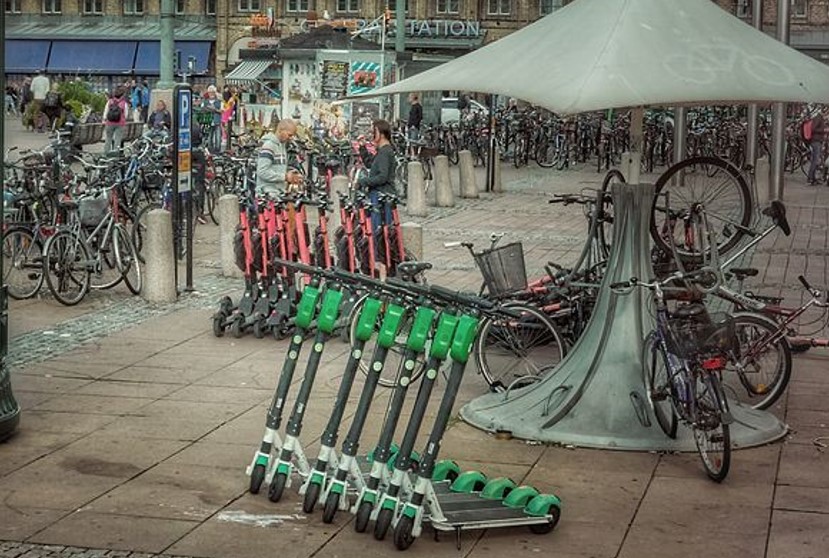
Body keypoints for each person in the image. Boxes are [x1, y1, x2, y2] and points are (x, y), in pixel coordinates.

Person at [357, 119, 396, 232]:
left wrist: (364, 181)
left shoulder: (385, 152)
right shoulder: (382, 151)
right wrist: (363, 147)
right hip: (380, 195)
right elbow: (370, 163)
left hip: (382, 196)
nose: (372, 134)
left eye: (374, 131)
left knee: (378, 231)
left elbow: (382, 177)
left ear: (381, 134)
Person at [255, 119, 302, 197]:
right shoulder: (269, 146)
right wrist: (285, 177)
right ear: (280, 130)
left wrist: (291, 173)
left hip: (278, 192)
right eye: (289, 135)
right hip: (267, 193)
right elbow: (262, 172)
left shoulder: (282, 146)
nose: (291, 138)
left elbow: (278, 167)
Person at [103, 87, 128, 154]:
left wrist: (105, 119)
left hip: (109, 123)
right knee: (117, 140)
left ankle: (106, 153)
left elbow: (105, 112)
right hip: (120, 123)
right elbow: (126, 115)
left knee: (108, 138)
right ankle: (115, 155)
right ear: (122, 95)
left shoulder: (110, 101)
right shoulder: (124, 103)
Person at [807, 106, 826, 185]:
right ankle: (810, 178)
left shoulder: (819, 117)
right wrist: (824, 130)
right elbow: (813, 128)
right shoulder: (818, 117)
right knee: (815, 160)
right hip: (816, 141)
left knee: (815, 160)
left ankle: (812, 178)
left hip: (817, 141)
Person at [202, 85, 223, 151]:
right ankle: (210, 149)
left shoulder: (219, 102)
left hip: (217, 121)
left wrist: (215, 109)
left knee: (218, 137)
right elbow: (202, 110)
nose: (211, 94)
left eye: (213, 92)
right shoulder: (205, 102)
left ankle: (217, 149)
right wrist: (207, 109)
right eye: (210, 92)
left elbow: (222, 111)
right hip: (208, 121)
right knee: (209, 136)